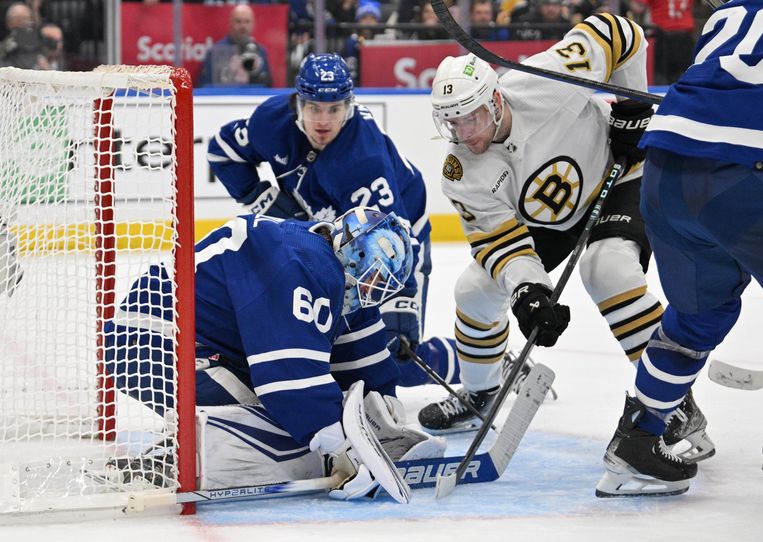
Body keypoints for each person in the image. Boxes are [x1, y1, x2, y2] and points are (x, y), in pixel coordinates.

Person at [422, 13, 713, 450]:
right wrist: (529, 292)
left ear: (496, 99)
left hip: (619, 181)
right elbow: (499, 242)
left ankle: (673, 403)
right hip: (548, 220)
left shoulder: (547, 80)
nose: (464, 134)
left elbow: (621, 33)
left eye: (471, 118)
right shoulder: (461, 170)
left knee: (607, 270)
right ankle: (482, 392)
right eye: (452, 123)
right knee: (474, 289)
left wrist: (633, 105)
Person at [596, 0, 763, 497]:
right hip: (751, 173)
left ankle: (637, 442)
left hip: (667, 165)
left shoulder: (732, 12)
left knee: (695, 317)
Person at [104, 207, 446, 499]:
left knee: (308, 427)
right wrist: (347, 447)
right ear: (351, 250)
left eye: (378, 287)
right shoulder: (303, 263)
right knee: (295, 436)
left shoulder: (337, 270)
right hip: (151, 343)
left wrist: (384, 414)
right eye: (368, 277)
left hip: (194, 346)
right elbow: (289, 383)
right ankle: (166, 459)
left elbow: (364, 365)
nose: (368, 289)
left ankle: (180, 450)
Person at [207, 52, 461, 390]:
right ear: (298, 103)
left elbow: (394, 245)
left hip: (394, 244)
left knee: (390, 357)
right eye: (314, 107)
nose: (323, 121)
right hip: (327, 244)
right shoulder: (271, 121)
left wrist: (399, 311)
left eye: (334, 109)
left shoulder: (364, 162)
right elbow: (222, 152)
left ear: (349, 106)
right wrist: (267, 201)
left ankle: (480, 360)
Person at [199, 4, 272, 87]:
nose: (243, 26)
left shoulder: (260, 51)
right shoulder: (216, 52)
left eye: (247, 22)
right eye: (238, 21)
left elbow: (267, 86)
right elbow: (205, 86)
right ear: (230, 23)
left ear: (253, 25)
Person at [0, 2, 45, 69]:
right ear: (9, 22)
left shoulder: (39, 39)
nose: (23, 22)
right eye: (18, 19)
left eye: (26, 18)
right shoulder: (5, 44)